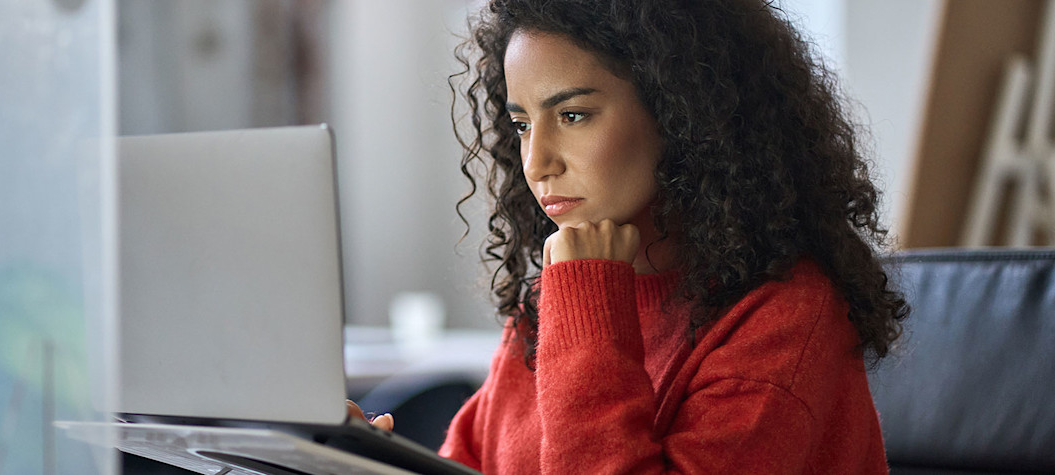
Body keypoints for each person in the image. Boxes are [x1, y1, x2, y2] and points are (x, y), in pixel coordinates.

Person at [355, 0, 909, 473]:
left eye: (572, 115)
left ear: (683, 112)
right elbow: (473, 461)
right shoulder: (555, 299)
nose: (536, 161)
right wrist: (361, 460)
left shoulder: (786, 318)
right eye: (522, 124)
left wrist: (588, 298)